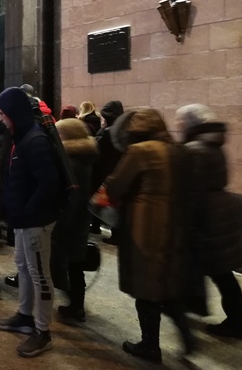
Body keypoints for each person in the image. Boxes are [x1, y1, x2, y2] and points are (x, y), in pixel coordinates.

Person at [105, 108, 195, 363]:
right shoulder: (176, 149)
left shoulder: (140, 150)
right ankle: (186, 335)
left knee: (146, 288)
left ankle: (149, 345)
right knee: (166, 284)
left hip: (146, 226)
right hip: (175, 224)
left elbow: (116, 185)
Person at [0, 87, 60, 358]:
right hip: (22, 220)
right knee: (23, 267)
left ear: (13, 113)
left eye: (1, 113)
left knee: (40, 275)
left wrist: (27, 212)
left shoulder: (35, 141)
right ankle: (24, 316)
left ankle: (43, 332)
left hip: (35, 222)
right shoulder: (20, 136)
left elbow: (49, 184)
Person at [176, 104, 242, 340]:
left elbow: (192, 190)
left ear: (190, 124)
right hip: (219, 210)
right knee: (222, 272)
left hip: (207, 216)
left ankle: (237, 324)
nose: (178, 126)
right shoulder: (211, 144)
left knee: (219, 273)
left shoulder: (195, 149)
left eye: (181, 122)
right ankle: (235, 320)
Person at [52, 118, 98, 322]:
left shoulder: (71, 161)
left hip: (70, 220)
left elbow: (72, 197)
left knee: (64, 265)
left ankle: (76, 305)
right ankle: (76, 305)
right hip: (81, 218)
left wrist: (59, 225)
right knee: (75, 264)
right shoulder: (86, 157)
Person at [92, 100, 124, 238]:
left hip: (103, 171)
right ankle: (116, 234)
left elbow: (96, 148)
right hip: (117, 171)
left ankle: (98, 226)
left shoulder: (106, 132)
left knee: (103, 201)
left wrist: (101, 128)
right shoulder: (124, 131)